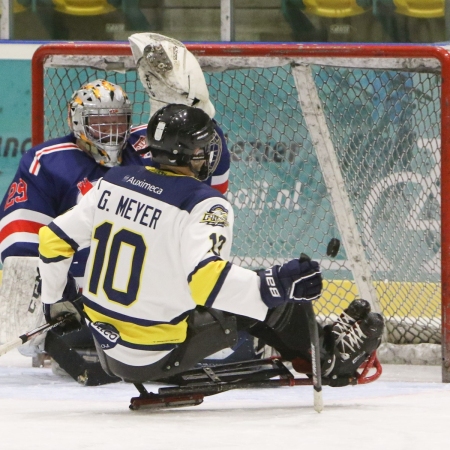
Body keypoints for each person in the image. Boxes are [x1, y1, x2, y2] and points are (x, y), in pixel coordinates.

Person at [38, 104, 384, 386]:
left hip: (108, 348)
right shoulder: (204, 203)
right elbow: (207, 283)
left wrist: (55, 302)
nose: (208, 155)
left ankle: (315, 341)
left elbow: (52, 239)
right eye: (204, 149)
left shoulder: (113, 181)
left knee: (245, 286)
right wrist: (275, 284)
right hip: (155, 352)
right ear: (187, 154)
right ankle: (328, 359)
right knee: (276, 297)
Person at [0, 77, 229, 385]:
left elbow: (208, 170)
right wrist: (52, 301)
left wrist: (199, 114)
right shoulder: (47, 161)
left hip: (147, 290)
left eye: (118, 121)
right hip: (88, 299)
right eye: (100, 122)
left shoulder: (147, 144)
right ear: (77, 122)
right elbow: (22, 248)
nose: (111, 131)